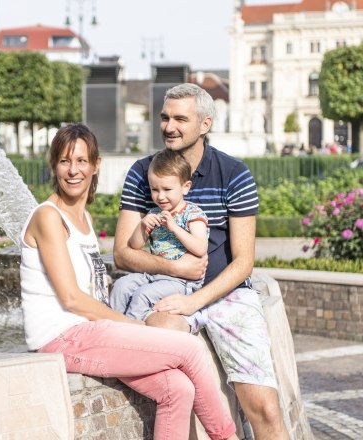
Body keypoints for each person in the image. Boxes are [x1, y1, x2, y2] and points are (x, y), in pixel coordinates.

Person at [20, 123, 238, 440]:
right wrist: (130, 325)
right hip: (62, 337)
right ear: (53, 165)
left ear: (96, 165)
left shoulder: (82, 219)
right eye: (65, 161)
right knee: (189, 350)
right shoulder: (48, 216)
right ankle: (227, 437)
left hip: (89, 331)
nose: (73, 170)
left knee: (177, 389)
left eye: (82, 161)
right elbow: (71, 299)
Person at [114, 84, 290, 440]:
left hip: (227, 296)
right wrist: (177, 270)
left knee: (266, 409)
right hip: (167, 292)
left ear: (205, 124)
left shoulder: (234, 174)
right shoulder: (142, 172)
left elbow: (243, 263)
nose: (169, 126)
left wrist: (195, 300)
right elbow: (123, 253)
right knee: (171, 371)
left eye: (181, 118)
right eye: (165, 117)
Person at [109, 148, 209, 333]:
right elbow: (135, 245)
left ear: (185, 187)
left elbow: (200, 247)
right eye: (155, 190)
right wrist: (142, 226)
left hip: (181, 281)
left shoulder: (192, 213)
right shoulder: (154, 213)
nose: (160, 196)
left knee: (142, 295)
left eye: (167, 189)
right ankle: (111, 327)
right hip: (154, 274)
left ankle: (130, 334)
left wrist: (175, 228)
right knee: (121, 286)